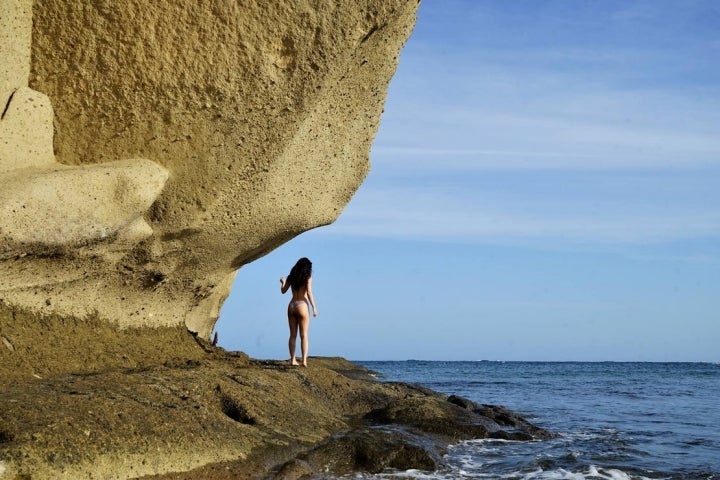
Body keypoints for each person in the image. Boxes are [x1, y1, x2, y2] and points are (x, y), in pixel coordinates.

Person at [280, 257, 318, 367]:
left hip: (292, 305)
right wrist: (314, 307)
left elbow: (283, 291)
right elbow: (309, 292)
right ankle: (304, 361)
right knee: (304, 335)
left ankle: (293, 359)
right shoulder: (307, 277)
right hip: (302, 305)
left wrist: (282, 282)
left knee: (292, 335)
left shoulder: (291, 277)